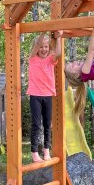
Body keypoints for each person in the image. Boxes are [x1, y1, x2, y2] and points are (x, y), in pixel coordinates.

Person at [27, 30, 63, 163]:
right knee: (36, 124)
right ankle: (34, 152)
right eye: (41, 46)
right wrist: (42, 31)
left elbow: (58, 54)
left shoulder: (50, 60)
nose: (43, 49)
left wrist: (58, 38)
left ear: (49, 48)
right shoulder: (32, 59)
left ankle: (46, 151)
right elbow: (36, 44)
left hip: (48, 95)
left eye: (46, 46)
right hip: (35, 95)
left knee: (48, 124)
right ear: (36, 48)